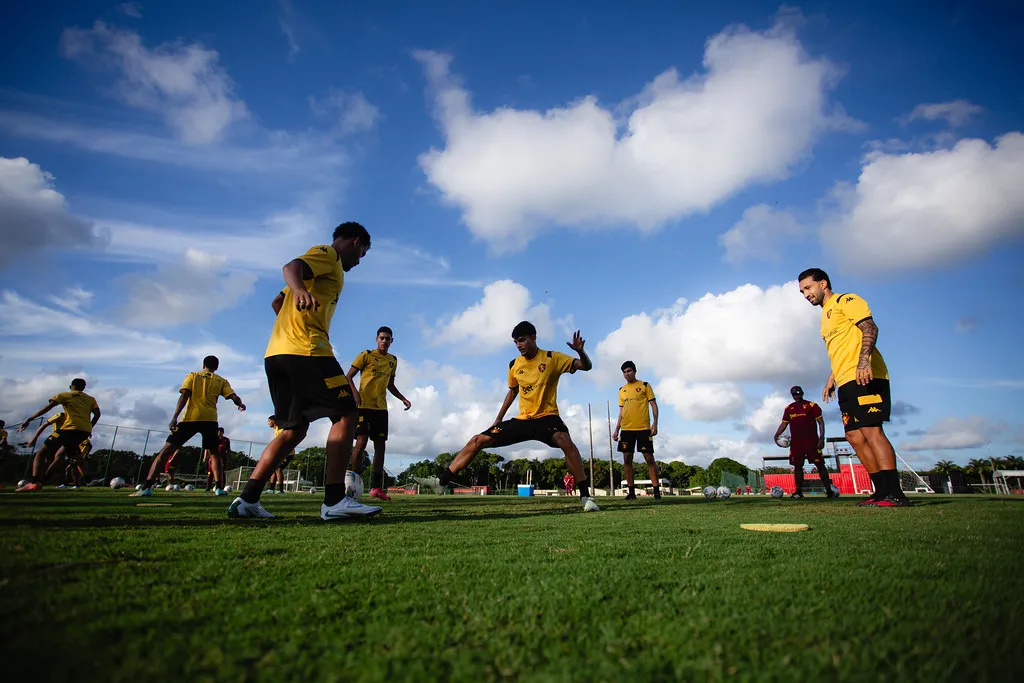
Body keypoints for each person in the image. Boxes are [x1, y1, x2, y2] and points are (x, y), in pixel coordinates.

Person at [228, 221, 381, 520]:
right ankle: (335, 500)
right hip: (307, 350)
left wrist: (296, 309)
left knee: (293, 430)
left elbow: (278, 301)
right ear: (355, 242)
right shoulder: (328, 255)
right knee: (347, 412)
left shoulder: (318, 270)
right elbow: (291, 267)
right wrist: (299, 292)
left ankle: (247, 500)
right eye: (362, 253)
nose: (359, 261)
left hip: (277, 353)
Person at [416, 321, 600, 512]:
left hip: (547, 417)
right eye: (516, 342)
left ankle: (585, 497)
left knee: (565, 440)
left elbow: (585, 366)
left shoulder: (552, 358)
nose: (519, 345)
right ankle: (441, 482)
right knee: (477, 440)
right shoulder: (514, 365)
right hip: (523, 420)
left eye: (522, 340)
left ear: (534, 337)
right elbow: (512, 392)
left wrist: (581, 352)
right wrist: (498, 419)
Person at [798, 268, 910, 506]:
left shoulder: (845, 300)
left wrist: (863, 361)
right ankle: (880, 491)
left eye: (808, 288)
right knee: (854, 436)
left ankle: (895, 493)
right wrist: (832, 378)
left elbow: (870, 328)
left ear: (823, 284)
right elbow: (841, 349)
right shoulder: (825, 317)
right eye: (802, 292)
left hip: (865, 376)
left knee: (871, 431)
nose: (806, 294)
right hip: (846, 380)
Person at [131, 356, 245, 497]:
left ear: (203, 365)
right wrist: (240, 404)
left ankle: (147, 487)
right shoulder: (221, 381)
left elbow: (185, 395)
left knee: (166, 451)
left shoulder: (192, 376)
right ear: (216, 367)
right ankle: (219, 488)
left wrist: (175, 417)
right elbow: (234, 397)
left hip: (190, 418)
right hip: (210, 420)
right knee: (214, 454)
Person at [345, 326, 412, 501]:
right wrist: (355, 394)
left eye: (387, 339)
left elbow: (390, 385)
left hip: (381, 409)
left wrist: (403, 398)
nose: (384, 341)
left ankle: (376, 488)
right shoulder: (366, 355)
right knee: (361, 442)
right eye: (382, 338)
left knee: (380, 447)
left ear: (392, 341)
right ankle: (354, 484)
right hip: (363, 406)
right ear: (376, 339)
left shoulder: (392, 360)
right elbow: (348, 376)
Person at [16, 378, 100, 492]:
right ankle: (88, 479)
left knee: (41, 454)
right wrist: (90, 427)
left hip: (69, 429)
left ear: (71, 386)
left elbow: (48, 407)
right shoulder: (91, 399)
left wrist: (30, 419)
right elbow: (97, 414)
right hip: (84, 431)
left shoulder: (65, 395)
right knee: (73, 454)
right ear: (84, 388)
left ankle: (34, 483)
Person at [773, 385, 836, 499]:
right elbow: (784, 423)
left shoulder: (812, 406)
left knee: (820, 464)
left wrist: (821, 438)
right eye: (794, 394)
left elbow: (820, 422)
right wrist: (777, 435)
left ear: (802, 393)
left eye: (798, 394)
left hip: (812, 441)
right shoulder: (789, 408)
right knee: (797, 466)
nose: (797, 396)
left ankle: (829, 490)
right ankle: (798, 492)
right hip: (796, 443)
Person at [612, 361, 661, 500]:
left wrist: (655, 423)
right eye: (624, 372)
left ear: (634, 371)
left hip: (643, 428)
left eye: (629, 371)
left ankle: (656, 491)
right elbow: (621, 411)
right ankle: (631, 492)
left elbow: (653, 404)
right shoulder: (621, 390)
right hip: (626, 429)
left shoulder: (644, 385)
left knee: (649, 458)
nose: (627, 374)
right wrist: (616, 429)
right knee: (627, 459)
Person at [266, 416, 295, 494]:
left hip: (287, 453)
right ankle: (271, 489)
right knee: (274, 469)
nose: (268, 423)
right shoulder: (276, 429)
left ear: (273, 421)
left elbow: (287, 440)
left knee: (278, 469)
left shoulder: (280, 429)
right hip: (282, 452)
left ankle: (281, 490)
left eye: (269, 421)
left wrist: (285, 452)